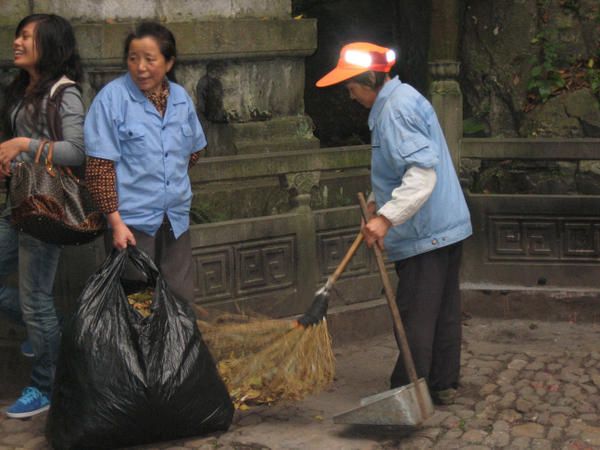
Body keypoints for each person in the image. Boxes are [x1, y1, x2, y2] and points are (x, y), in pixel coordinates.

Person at [316, 42, 472, 405]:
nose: (350, 95)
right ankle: (442, 383)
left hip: (426, 232)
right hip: (446, 225)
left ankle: (406, 391)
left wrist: (386, 219)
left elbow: (420, 175)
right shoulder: (403, 98)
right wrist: (376, 200)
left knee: (416, 314)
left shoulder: (395, 111)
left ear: (369, 80)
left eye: (351, 87)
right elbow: (400, 167)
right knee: (443, 310)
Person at [84, 22, 206, 304]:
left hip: (174, 218)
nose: (140, 67)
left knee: (179, 296)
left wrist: (166, 180)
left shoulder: (180, 99)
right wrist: (116, 222)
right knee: (138, 301)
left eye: (150, 59)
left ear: (169, 62)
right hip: (131, 223)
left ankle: (179, 336)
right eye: (133, 58)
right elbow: (99, 168)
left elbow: (194, 151)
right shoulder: (112, 99)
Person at [0, 14, 85, 418]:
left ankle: (45, 386)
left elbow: (77, 151)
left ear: (50, 44)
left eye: (27, 37)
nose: (17, 42)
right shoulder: (21, 90)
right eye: (18, 35)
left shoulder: (65, 93)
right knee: (37, 307)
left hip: (46, 207)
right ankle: (58, 328)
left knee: (35, 299)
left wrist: (22, 144)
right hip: (16, 204)